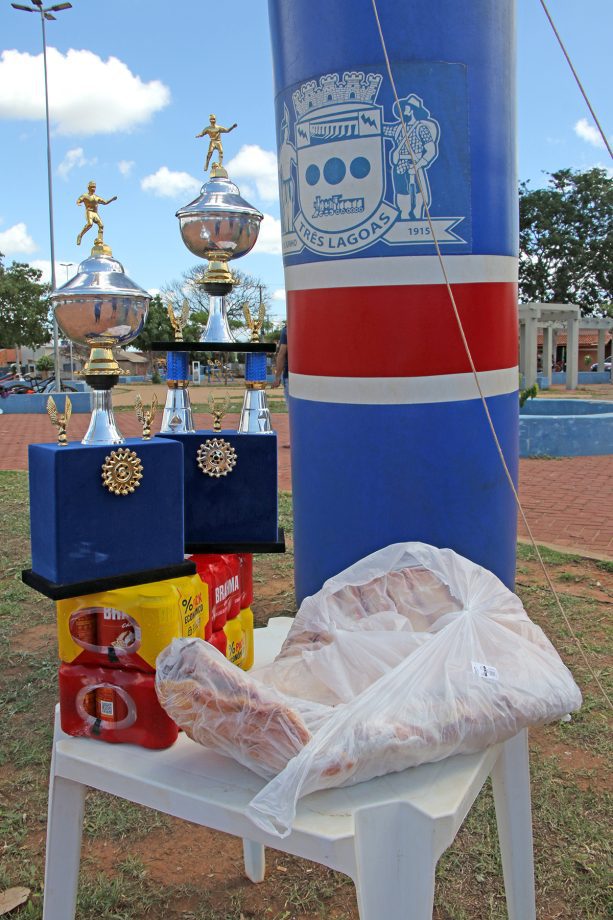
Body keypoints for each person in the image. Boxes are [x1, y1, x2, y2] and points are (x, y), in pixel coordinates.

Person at [76, 181, 117, 247]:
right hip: (89, 212)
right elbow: (79, 200)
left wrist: (112, 199)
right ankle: (80, 235)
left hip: (95, 213)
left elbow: (105, 202)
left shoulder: (97, 197)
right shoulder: (85, 196)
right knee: (90, 224)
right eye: (92, 187)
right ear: (88, 188)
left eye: (94, 187)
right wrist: (78, 203)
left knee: (101, 225)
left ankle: (100, 240)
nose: (93, 189)